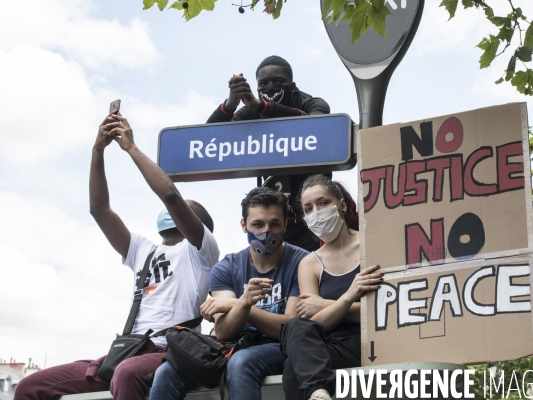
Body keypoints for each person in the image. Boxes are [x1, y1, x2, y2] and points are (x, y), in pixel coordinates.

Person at [14, 111, 220, 400]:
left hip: (169, 351)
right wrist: (98, 150)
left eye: (188, 208)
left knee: (126, 373)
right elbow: (100, 210)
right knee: (30, 387)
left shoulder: (202, 251)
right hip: (128, 348)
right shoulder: (144, 250)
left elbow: (171, 196)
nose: (178, 208)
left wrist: (130, 148)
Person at [148, 187, 309, 400]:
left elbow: (290, 328)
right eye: (258, 224)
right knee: (166, 372)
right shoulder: (227, 267)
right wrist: (243, 303)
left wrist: (239, 306)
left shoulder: (303, 263)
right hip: (233, 345)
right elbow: (223, 332)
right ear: (244, 225)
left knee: (241, 362)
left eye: (275, 224)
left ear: (285, 225)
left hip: (281, 347)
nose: (266, 231)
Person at [207, 55, 331, 252]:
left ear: (293, 85)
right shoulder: (250, 113)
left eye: (279, 81)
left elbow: (315, 125)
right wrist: (230, 104)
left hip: (314, 220)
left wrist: (261, 106)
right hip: (274, 222)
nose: (271, 87)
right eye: (263, 83)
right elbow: (209, 140)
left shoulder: (312, 103)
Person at [280, 174, 383, 400]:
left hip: (371, 341)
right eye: (308, 209)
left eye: (323, 203)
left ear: (342, 205)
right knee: (295, 329)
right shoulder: (309, 263)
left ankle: (318, 390)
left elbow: (382, 311)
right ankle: (319, 393)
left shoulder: (372, 245)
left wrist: (325, 306)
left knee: (293, 366)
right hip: (329, 344)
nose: (316, 212)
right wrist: (349, 297)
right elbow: (314, 325)